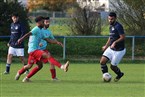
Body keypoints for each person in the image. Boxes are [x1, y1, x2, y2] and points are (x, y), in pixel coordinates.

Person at [15, 16, 69, 82]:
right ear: (39, 22)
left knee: (36, 66)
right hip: (33, 50)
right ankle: (62, 67)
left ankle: (24, 76)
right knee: (47, 55)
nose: (44, 23)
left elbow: (48, 40)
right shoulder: (36, 29)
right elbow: (28, 34)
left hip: (36, 50)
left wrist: (57, 42)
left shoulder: (41, 31)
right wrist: (21, 39)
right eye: (43, 22)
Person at [100, 12, 126, 82]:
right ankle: (106, 77)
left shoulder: (118, 26)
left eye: (112, 19)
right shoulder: (111, 26)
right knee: (102, 61)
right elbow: (110, 37)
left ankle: (120, 74)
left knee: (113, 67)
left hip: (119, 50)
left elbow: (123, 37)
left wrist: (115, 42)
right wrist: (106, 45)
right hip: (111, 49)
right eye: (109, 19)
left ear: (115, 18)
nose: (110, 20)